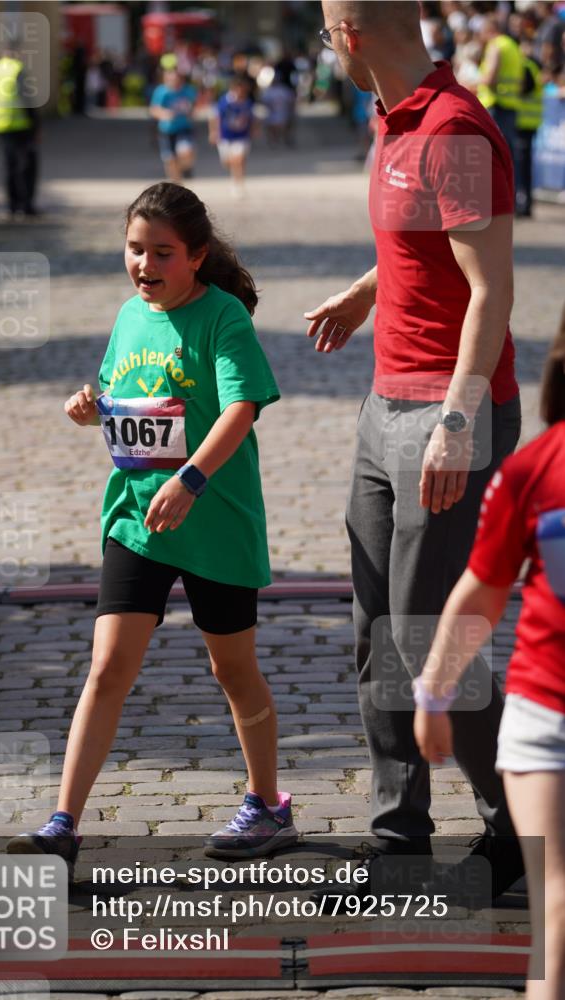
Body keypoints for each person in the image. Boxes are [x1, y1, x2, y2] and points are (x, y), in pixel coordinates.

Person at [7, 182, 297, 874]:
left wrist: (190, 480)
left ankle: (267, 805)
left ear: (196, 256)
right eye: (135, 249)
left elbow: (241, 409)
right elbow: (126, 401)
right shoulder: (128, 316)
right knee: (108, 666)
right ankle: (62, 824)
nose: (145, 265)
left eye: (162, 252)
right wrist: (93, 406)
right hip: (137, 518)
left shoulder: (222, 317)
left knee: (232, 669)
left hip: (214, 519)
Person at [305, 0, 523, 898]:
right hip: (382, 405)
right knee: (376, 634)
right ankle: (397, 837)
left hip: (446, 414)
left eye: (326, 33)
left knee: (427, 635)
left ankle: (521, 827)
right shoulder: (389, 117)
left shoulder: (454, 129)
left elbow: (491, 288)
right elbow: (419, 239)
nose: (326, 48)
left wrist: (456, 424)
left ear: (350, 35)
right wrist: (368, 290)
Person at [414, 316, 565, 998]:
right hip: (545, 717)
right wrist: (433, 692)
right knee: (558, 900)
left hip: (540, 718)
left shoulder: (531, 467)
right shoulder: (532, 471)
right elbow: (479, 594)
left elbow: (480, 596)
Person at [0, 44, 39, 217]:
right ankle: (26, 205)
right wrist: (35, 125)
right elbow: (27, 98)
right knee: (25, 166)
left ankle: (12, 205)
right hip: (20, 124)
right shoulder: (18, 69)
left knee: (9, 166)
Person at [476, 13, 524, 162]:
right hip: (511, 105)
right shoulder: (512, 46)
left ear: (489, 29)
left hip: (495, 105)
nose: (480, 35)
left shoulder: (495, 45)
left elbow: (489, 79)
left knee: (493, 154)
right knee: (507, 153)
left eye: (482, 30)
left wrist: (472, 83)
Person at [209, 74, 255, 197]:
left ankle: (238, 185)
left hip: (241, 136)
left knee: (238, 160)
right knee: (227, 162)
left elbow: (251, 118)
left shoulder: (248, 102)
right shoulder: (224, 102)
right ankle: (236, 178)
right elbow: (215, 117)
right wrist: (214, 132)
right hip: (225, 136)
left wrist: (253, 129)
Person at [150, 66, 198, 183]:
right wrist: (164, 114)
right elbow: (153, 110)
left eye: (176, 78)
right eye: (170, 78)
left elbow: (193, 105)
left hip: (184, 128)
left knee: (187, 153)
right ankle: (177, 184)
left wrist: (191, 112)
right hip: (167, 130)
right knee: (170, 160)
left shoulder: (188, 90)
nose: (173, 81)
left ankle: (184, 168)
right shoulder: (161, 92)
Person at [514, 47, 544, 218]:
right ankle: (524, 204)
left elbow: (524, 89)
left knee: (521, 167)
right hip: (527, 123)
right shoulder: (531, 65)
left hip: (523, 123)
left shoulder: (525, 65)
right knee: (524, 166)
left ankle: (523, 204)